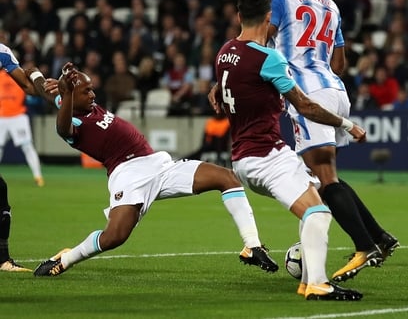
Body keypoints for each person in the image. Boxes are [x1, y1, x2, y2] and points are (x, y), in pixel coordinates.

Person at [30, 62, 281, 277]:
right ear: (73, 97)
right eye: (87, 91)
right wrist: (64, 90)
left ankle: (252, 246)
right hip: (128, 175)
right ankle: (64, 260)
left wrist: (34, 74)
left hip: (158, 164)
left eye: (92, 89)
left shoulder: (72, 100)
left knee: (227, 178)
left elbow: (43, 88)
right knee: (114, 237)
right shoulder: (70, 120)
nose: (93, 95)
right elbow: (63, 129)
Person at [210, 0, 365, 300]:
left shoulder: (224, 52)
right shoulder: (269, 59)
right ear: (269, 18)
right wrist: (347, 125)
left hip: (241, 160)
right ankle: (318, 285)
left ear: (239, 16)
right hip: (268, 156)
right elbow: (305, 105)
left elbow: (226, 86)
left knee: (315, 192)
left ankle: (308, 279)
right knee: (319, 213)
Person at [268, 0, 397, 282]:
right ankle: (380, 236)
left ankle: (365, 244)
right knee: (326, 175)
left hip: (307, 93)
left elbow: (259, 40)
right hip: (335, 89)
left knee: (322, 179)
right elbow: (339, 63)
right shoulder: (330, 3)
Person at [0, 43, 44, 272]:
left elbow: (29, 87)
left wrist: (43, 81)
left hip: (15, 116)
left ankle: (2, 260)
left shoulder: (3, 54)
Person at [0, 70, 44, 187]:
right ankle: (38, 177)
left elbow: (31, 93)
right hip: (2, 117)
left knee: (27, 146)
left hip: (18, 117)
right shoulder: (5, 76)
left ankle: (38, 176)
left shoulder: (19, 75)